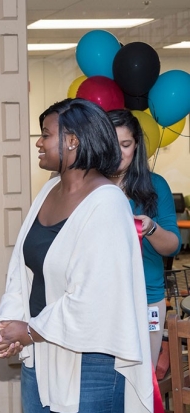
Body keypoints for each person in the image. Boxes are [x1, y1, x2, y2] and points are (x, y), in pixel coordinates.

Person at [0, 99, 152, 412]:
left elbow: (94, 299)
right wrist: (7, 324)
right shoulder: (47, 192)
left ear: (73, 140)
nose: (38, 142)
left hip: (90, 362)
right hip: (39, 351)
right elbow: (20, 270)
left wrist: (26, 331)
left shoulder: (107, 203)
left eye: (45, 134)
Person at [107, 109, 181, 367]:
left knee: (142, 378)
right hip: (101, 298)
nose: (118, 152)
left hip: (147, 298)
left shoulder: (155, 185)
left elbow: (173, 246)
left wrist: (150, 228)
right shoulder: (88, 186)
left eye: (125, 145)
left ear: (136, 145)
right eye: (110, 145)